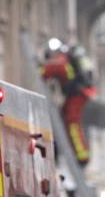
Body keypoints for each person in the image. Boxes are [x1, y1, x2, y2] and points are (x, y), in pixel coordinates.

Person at [39, 38, 97, 166]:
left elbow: (48, 71)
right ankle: (63, 151)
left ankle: (82, 156)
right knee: (64, 117)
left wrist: (40, 69)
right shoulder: (67, 59)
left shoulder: (60, 61)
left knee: (72, 122)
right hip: (77, 93)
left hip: (77, 94)